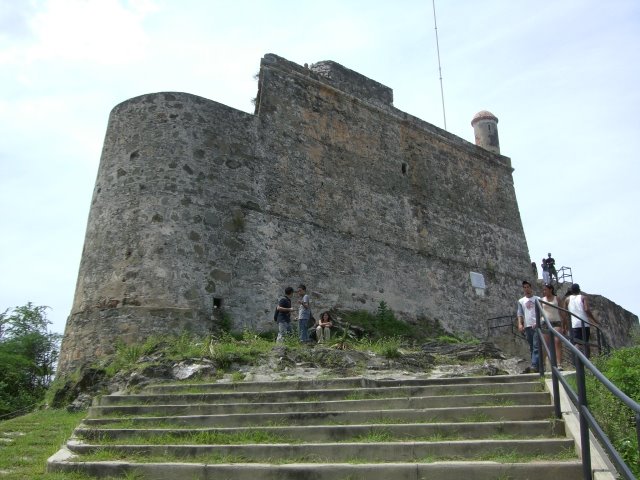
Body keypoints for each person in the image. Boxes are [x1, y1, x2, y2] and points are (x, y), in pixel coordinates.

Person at [565, 283, 597, 354]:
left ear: (572, 291)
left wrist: (565, 326)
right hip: (584, 323)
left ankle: (577, 360)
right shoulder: (583, 297)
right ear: (579, 290)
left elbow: (566, 314)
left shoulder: (567, 299)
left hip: (574, 325)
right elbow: (586, 309)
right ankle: (587, 360)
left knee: (576, 343)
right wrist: (594, 320)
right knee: (585, 343)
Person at [540, 283, 567, 369]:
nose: (544, 291)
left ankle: (559, 364)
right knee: (545, 344)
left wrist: (565, 325)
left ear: (550, 289)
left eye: (546, 289)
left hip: (556, 322)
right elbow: (539, 312)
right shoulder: (542, 299)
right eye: (543, 290)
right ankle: (544, 364)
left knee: (557, 341)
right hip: (545, 322)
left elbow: (562, 312)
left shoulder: (557, 299)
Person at [517, 280, 540, 373]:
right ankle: (537, 366)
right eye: (524, 287)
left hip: (536, 325)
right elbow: (519, 313)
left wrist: (538, 321)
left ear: (531, 288)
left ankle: (534, 365)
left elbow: (542, 312)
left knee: (536, 346)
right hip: (527, 326)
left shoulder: (537, 299)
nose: (526, 289)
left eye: (528, 287)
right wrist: (520, 324)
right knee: (531, 346)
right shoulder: (521, 301)